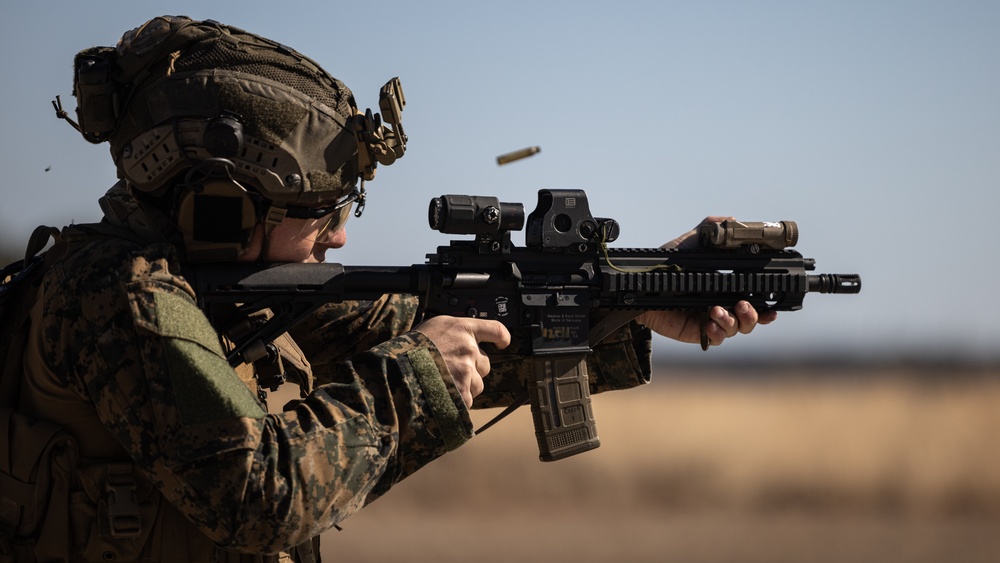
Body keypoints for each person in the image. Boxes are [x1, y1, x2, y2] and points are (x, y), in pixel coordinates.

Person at [0, 15, 774, 562]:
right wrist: (414, 375)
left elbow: (438, 330)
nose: (338, 237)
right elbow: (256, 495)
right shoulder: (119, 295)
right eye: (319, 213)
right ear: (221, 206)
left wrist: (628, 300)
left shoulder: (231, 289)